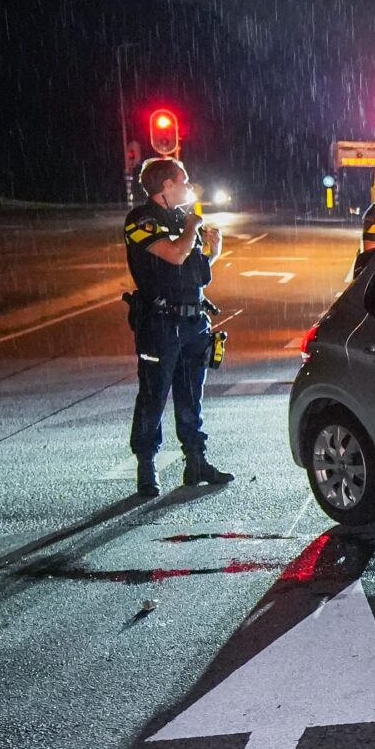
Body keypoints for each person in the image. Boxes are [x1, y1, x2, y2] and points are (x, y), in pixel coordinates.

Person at [123, 155, 231, 496]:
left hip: (193, 319)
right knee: (154, 395)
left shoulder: (181, 218)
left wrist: (212, 252)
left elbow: (194, 267)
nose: (188, 185)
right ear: (166, 186)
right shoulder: (141, 219)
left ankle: (196, 461)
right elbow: (174, 254)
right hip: (160, 323)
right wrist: (192, 228)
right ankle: (146, 466)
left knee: (191, 395)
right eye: (183, 180)